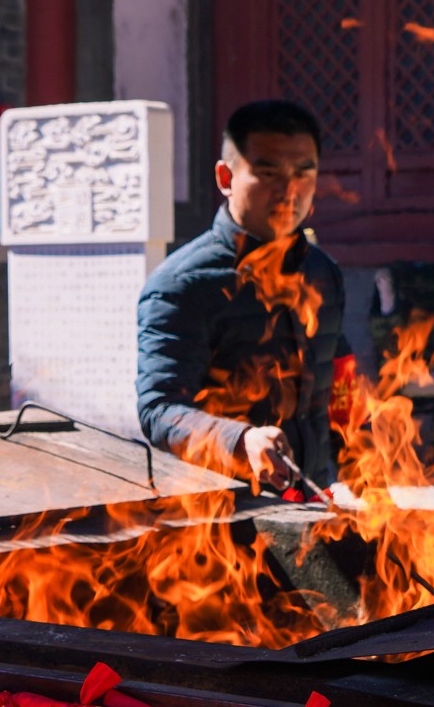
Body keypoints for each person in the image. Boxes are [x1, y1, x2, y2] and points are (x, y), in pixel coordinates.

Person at [137, 100, 345, 495]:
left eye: (304, 173)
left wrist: (358, 471)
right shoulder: (183, 285)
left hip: (317, 500)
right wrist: (240, 440)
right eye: (268, 173)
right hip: (223, 516)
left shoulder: (323, 272)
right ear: (225, 177)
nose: (289, 191)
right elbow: (158, 410)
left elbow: (338, 380)